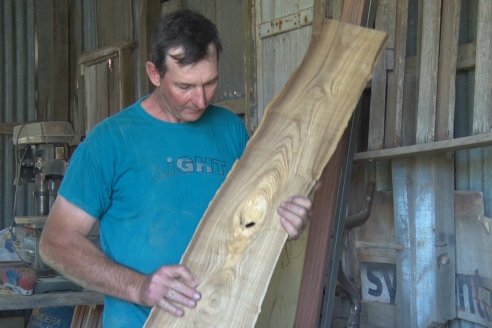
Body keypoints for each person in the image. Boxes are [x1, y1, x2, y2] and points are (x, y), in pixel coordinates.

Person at [39, 9, 314, 328]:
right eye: (185, 87)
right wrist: (139, 287)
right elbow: (56, 242)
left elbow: (255, 216)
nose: (200, 100)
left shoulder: (230, 130)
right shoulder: (110, 141)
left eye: (210, 83)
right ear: (155, 74)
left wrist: (287, 218)